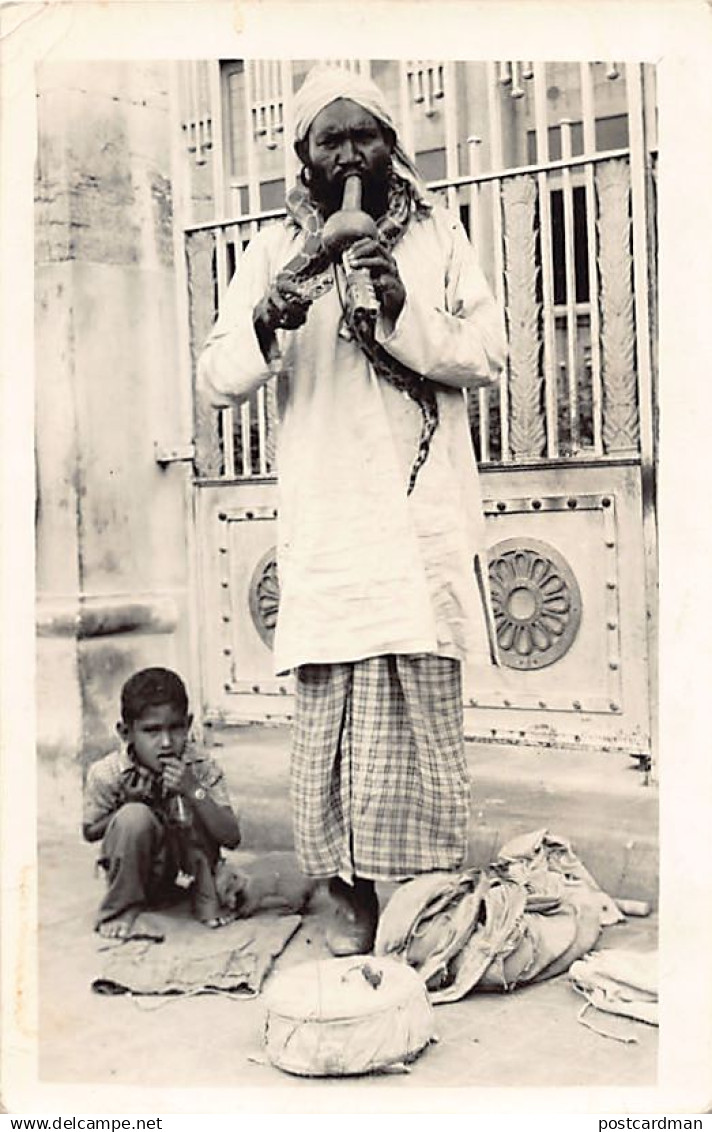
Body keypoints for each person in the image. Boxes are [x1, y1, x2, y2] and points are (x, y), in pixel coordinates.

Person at [198, 64, 506, 956]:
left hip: (415, 526)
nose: (347, 154)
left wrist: (406, 309)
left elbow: (487, 354)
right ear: (302, 154)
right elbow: (217, 378)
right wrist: (269, 315)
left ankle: (418, 893)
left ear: (391, 145)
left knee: (414, 708)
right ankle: (342, 891)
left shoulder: (441, 235)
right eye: (328, 139)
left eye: (362, 135)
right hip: (332, 523)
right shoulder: (266, 251)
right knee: (335, 718)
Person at [82, 666, 241, 939]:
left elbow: (231, 836)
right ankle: (123, 907)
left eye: (176, 728)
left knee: (196, 808)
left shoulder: (200, 765)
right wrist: (128, 805)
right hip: (143, 868)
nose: (166, 742)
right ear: (126, 732)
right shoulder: (108, 772)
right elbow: (90, 832)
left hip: (192, 866)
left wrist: (194, 789)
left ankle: (204, 896)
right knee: (134, 817)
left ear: (189, 724)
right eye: (151, 731)